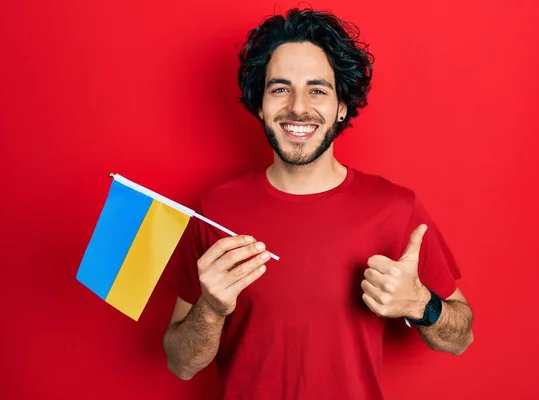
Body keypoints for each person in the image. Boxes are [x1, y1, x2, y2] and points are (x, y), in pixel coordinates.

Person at [162, 7, 473, 400]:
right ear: (260, 105)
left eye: (317, 90)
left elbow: (460, 338)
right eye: (279, 88)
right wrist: (211, 308)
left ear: (341, 106)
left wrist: (420, 304)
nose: (297, 106)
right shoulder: (214, 210)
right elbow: (181, 364)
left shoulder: (396, 208)